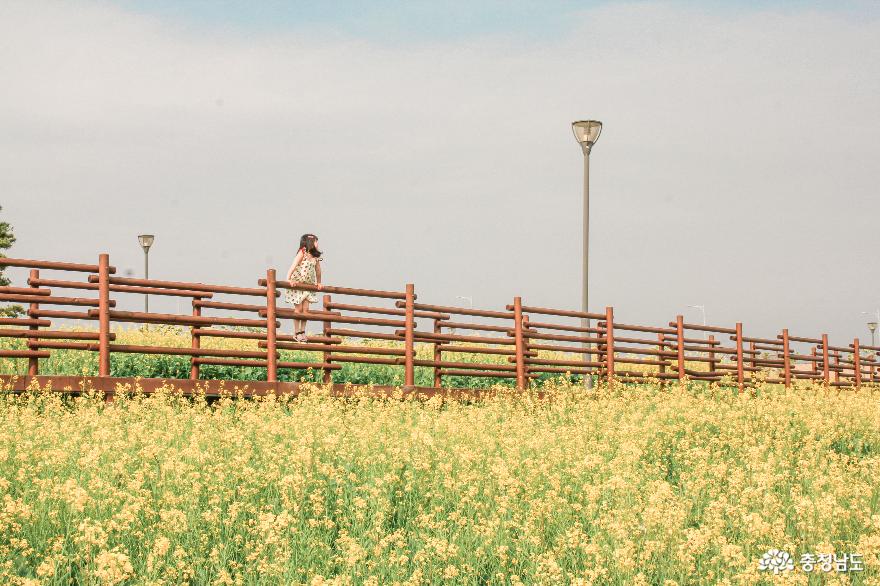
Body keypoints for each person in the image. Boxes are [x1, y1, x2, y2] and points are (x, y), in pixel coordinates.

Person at [285, 234, 323, 342]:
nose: (317, 244)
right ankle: (296, 332)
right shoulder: (303, 252)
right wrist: (288, 279)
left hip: (308, 285)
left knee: (306, 310)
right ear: (310, 242)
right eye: (316, 241)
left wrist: (319, 283)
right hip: (297, 284)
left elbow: (318, 271)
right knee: (299, 309)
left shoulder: (316, 256)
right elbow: (294, 265)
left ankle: (302, 331)